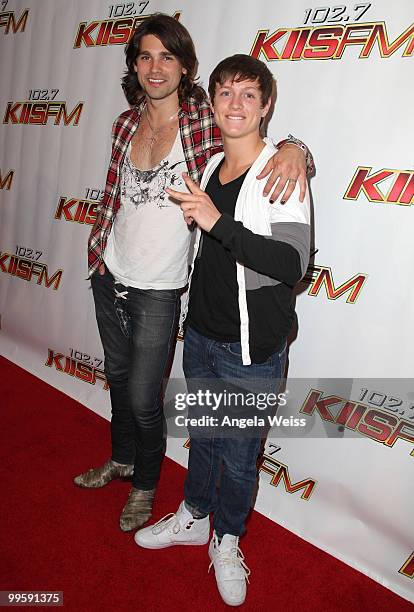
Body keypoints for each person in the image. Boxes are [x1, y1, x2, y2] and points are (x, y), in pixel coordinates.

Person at [74, 13, 314, 534]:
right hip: (110, 271)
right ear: (134, 65)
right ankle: (123, 460)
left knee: (144, 396)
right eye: (145, 56)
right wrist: (98, 257)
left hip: (162, 288)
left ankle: (148, 486)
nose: (155, 67)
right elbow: (117, 196)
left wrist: (297, 149)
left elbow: (246, 131)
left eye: (167, 56)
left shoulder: (202, 119)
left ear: (185, 67)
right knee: (118, 381)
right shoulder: (124, 123)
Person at [134, 53, 311, 607]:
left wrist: (220, 222)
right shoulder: (209, 164)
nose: (235, 104)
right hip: (203, 336)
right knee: (206, 441)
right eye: (225, 93)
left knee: (238, 454)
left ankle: (227, 538)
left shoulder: (282, 173)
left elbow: (293, 265)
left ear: (265, 107)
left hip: (251, 348)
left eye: (248, 95)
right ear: (212, 103)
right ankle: (192, 516)